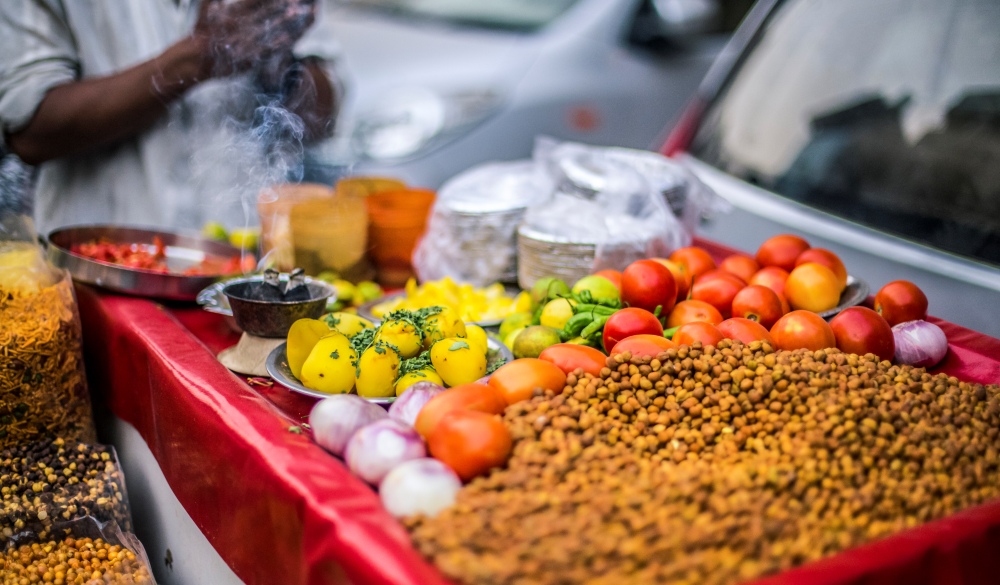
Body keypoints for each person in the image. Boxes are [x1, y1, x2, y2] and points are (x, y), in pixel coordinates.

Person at [0, 0, 340, 234]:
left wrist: (273, 54)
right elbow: (30, 130)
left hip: (241, 270)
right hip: (102, 276)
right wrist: (198, 57)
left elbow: (323, 115)